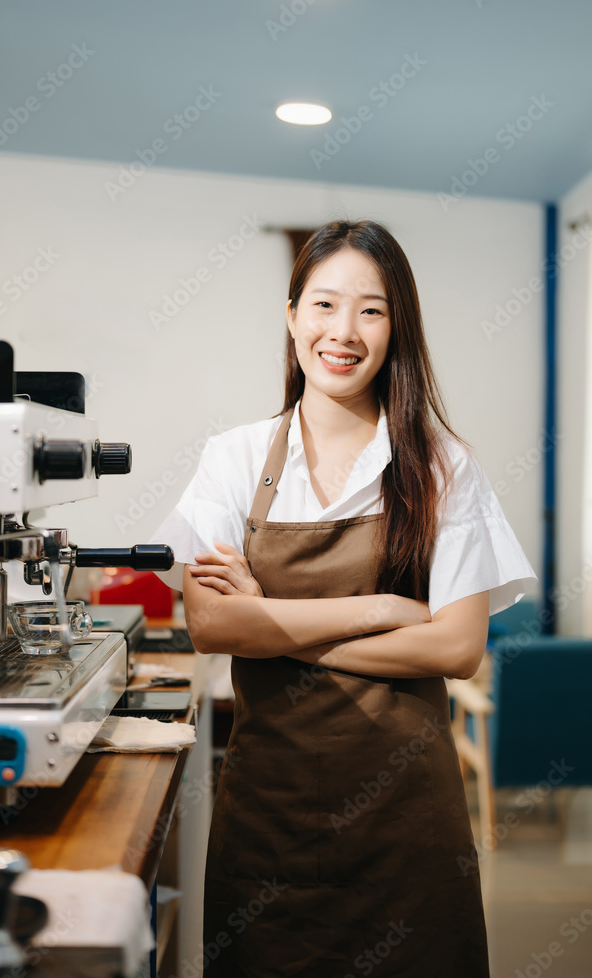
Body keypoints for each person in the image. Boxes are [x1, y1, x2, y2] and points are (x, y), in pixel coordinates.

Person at [150, 219, 537, 977]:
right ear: (291, 314)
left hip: (407, 827)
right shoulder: (233, 459)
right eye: (324, 305)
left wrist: (264, 618)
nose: (344, 331)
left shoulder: (442, 467)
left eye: (372, 309)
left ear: (398, 328)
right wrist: (382, 610)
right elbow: (208, 623)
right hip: (270, 815)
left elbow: (456, 648)